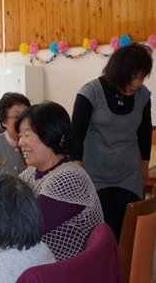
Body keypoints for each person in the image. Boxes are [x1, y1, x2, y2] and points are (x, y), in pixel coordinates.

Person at [70, 42, 153, 242]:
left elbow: (145, 131)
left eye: (142, 77)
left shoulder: (143, 96)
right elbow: (76, 136)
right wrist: (78, 173)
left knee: (128, 229)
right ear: (118, 72)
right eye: (133, 78)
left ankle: (125, 271)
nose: (137, 84)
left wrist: (145, 166)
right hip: (95, 171)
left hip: (128, 172)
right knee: (100, 229)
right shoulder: (91, 92)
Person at [16, 102, 104, 261]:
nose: (20, 142)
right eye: (20, 135)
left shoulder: (68, 177)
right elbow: (4, 204)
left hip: (70, 271)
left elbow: (25, 230)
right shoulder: (32, 173)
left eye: (27, 135)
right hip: (40, 261)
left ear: (51, 135)